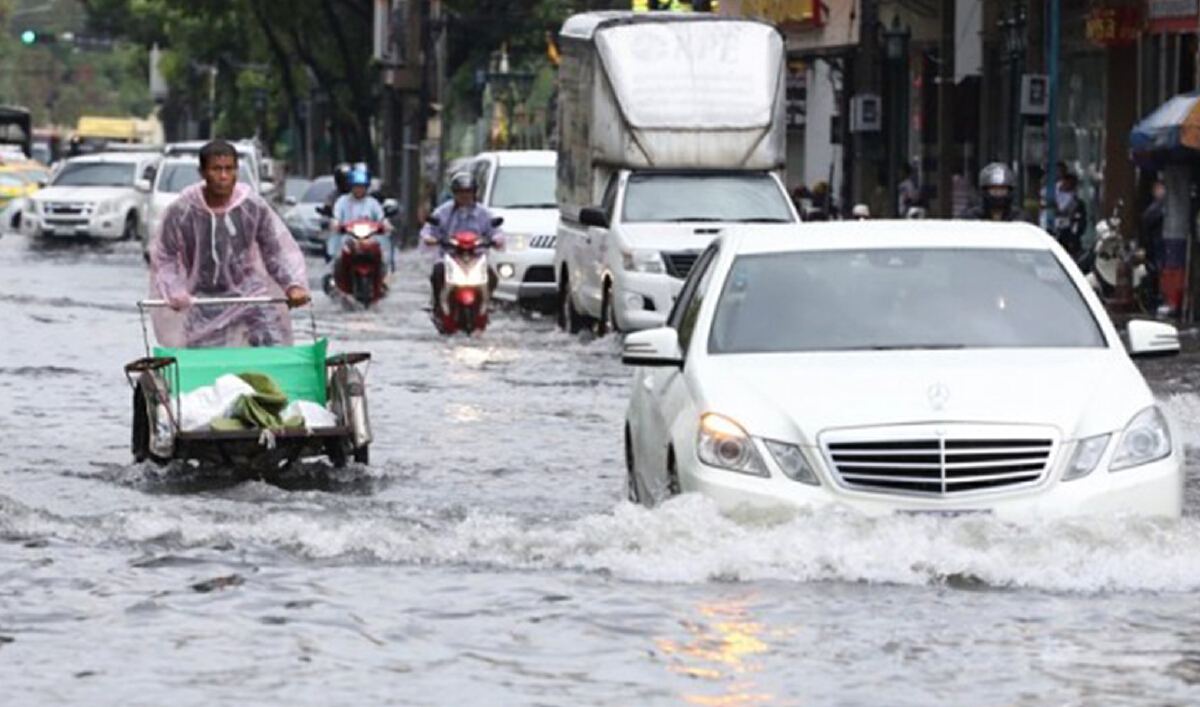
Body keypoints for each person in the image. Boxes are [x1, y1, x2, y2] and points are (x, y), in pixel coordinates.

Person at [150, 139, 310, 348]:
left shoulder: (252, 207)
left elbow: (274, 252)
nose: (224, 177)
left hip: (252, 296)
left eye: (229, 169)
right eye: (216, 169)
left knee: (274, 346)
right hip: (203, 298)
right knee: (204, 363)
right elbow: (165, 256)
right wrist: (174, 288)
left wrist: (292, 285)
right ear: (202, 172)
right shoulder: (181, 210)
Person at [420, 171, 503, 314]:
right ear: (454, 194)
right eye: (460, 192)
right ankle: (437, 304)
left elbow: (495, 230)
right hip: (450, 258)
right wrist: (429, 238)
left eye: (468, 192)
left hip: (476, 258)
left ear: (474, 193)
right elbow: (429, 229)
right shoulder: (443, 212)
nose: (465, 196)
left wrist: (496, 239)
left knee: (492, 276)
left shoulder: (484, 213)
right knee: (438, 272)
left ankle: (487, 301)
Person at [328, 166, 392, 268]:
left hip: (370, 240)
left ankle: (383, 279)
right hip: (348, 239)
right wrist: (336, 223)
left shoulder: (373, 203)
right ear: (351, 187)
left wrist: (385, 224)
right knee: (337, 258)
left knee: (383, 257)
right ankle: (335, 279)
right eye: (356, 186)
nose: (359, 189)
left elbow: (381, 218)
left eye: (361, 187)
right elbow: (337, 217)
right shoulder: (342, 201)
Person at [1053, 171, 1087, 258]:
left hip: (1070, 235)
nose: (1067, 184)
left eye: (1071, 183)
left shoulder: (1077, 201)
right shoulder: (1054, 196)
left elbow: (1081, 222)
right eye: (1066, 182)